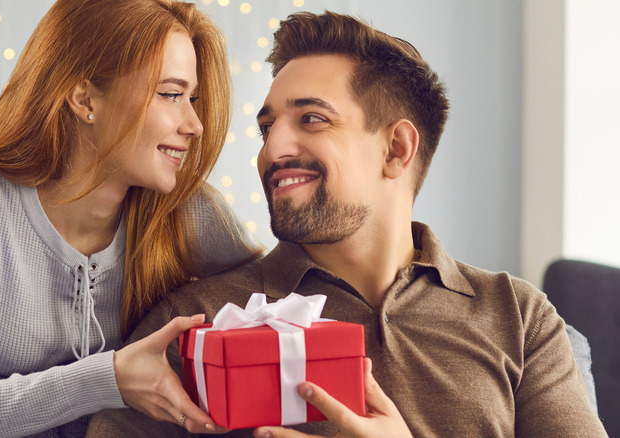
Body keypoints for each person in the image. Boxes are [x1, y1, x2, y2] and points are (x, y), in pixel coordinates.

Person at [85, 10, 608, 438]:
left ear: (396, 148)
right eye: (267, 127)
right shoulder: (195, 321)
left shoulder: (517, 317)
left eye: (311, 119)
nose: (272, 150)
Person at [0, 0, 263, 437]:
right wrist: (108, 379)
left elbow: (282, 296)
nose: (195, 124)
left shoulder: (189, 212)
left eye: (192, 98)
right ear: (85, 98)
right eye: (171, 94)